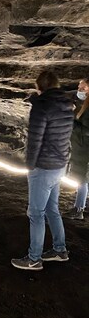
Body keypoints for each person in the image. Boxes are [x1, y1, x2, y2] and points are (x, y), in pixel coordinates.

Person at [11, 71, 74, 271]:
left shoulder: (42, 107)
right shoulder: (67, 105)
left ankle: (34, 259)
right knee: (52, 209)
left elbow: (35, 139)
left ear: (40, 86)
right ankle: (59, 250)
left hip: (44, 167)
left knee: (36, 213)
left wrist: (30, 165)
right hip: (59, 165)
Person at [64, 78, 89, 220]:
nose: (79, 90)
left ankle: (78, 209)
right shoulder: (84, 104)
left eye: (83, 88)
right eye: (79, 87)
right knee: (85, 178)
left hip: (85, 148)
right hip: (82, 147)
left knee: (81, 179)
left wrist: (73, 123)